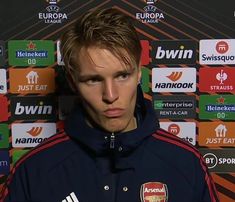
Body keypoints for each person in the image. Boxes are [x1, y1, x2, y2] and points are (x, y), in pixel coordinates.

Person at [0, 7, 219, 202]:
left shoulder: (186, 164)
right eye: (93, 80)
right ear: (72, 81)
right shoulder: (33, 171)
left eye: (122, 75)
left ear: (138, 73)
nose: (110, 95)